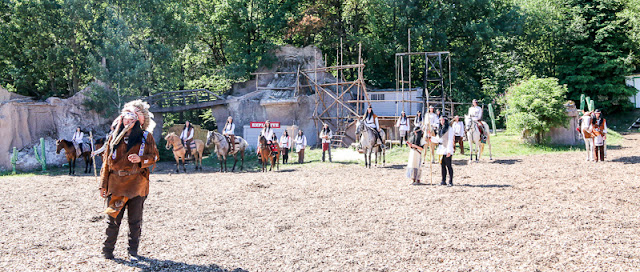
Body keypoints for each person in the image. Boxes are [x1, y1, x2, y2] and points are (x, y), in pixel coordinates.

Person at [99, 100, 158, 260]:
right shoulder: (113, 138)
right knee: (112, 220)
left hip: (137, 186)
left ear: (138, 120)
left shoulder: (146, 137)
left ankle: (132, 252)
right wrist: (103, 185)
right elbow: (106, 163)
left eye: (132, 117)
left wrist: (140, 159)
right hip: (116, 186)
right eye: (126, 116)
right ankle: (107, 251)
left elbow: (154, 157)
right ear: (122, 118)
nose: (128, 120)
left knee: (135, 221)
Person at [436, 115, 454, 186]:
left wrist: (449, 151)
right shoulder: (440, 129)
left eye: (443, 120)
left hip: (446, 149)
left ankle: (450, 181)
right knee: (442, 165)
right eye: (440, 120)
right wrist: (431, 138)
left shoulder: (449, 129)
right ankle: (443, 180)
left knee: (448, 165)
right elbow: (438, 139)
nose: (441, 122)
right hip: (441, 149)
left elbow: (450, 140)